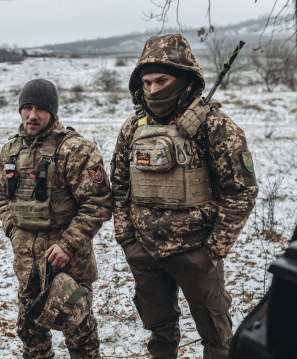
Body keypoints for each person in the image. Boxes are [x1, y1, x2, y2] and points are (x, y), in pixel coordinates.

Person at [110, 33, 259, 359]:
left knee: (217, 340)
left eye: (161, 81)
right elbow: (119, 188)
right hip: (145, 253)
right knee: (160, 335)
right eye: (146, 83)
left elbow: (241, 192)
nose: (152, 90)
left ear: (185, 77)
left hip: (197, 253)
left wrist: (213, 250)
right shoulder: (133, 127)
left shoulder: (215, 126)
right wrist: (127, 239)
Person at [0, 79, 112, 359]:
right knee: (31, 334)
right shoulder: (11, 150)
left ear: (53, 112)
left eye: (40, 109)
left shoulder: (75, 149)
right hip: (27, 263)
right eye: (27, 108)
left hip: (68, 262)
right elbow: (2, 196)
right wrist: (13, 231)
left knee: (80, 335)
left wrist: (68, 245)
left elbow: (99, 202)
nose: (32, 115)